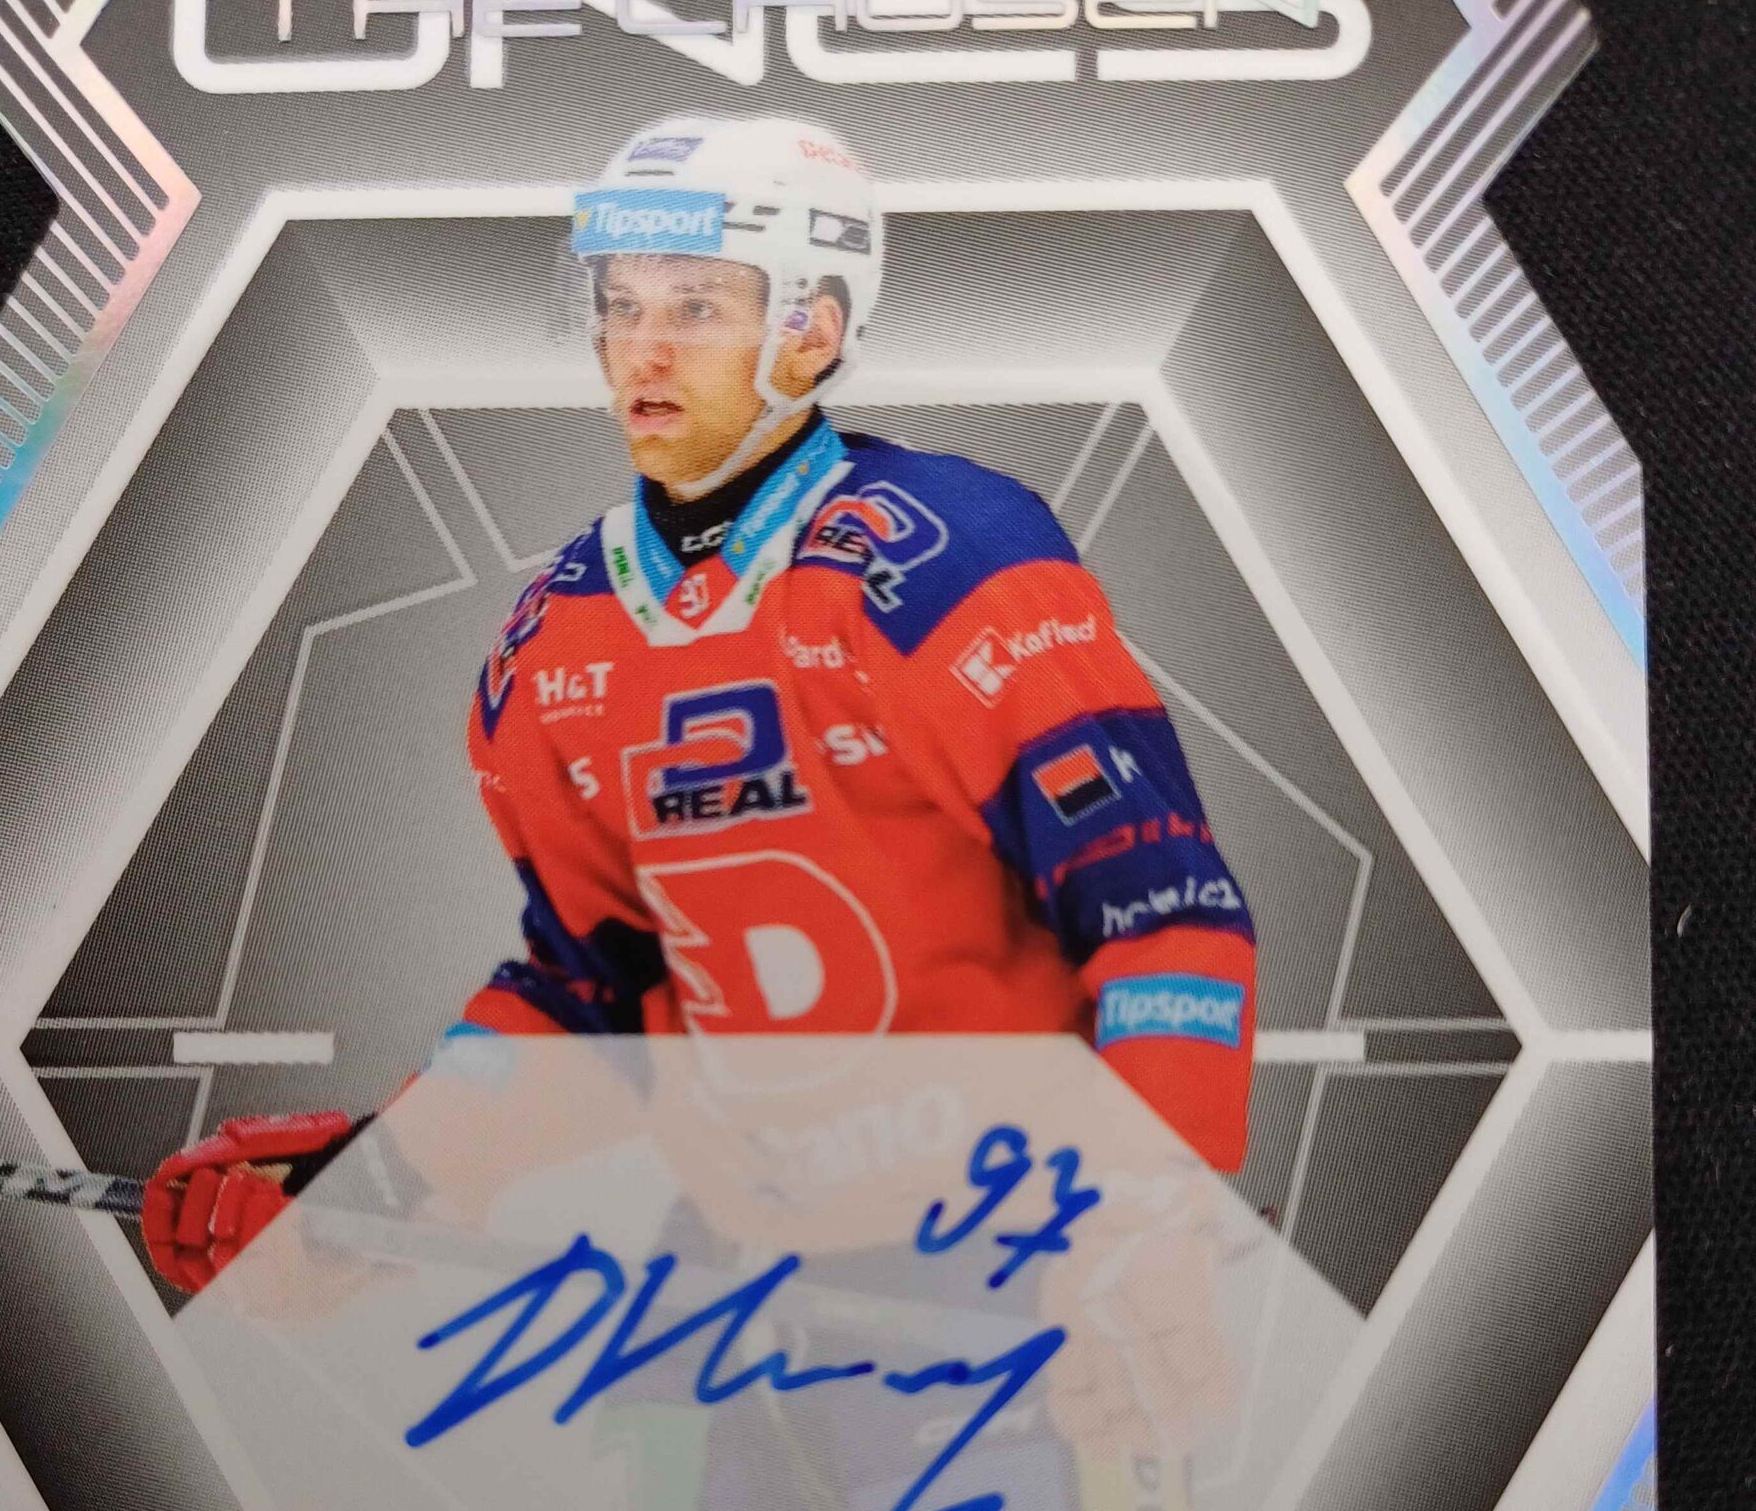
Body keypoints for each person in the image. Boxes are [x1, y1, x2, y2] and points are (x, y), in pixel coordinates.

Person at [143, 112, 1256, 1300]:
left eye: (695, 308)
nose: (644, 351)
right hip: (742, 1292)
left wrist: (1150, 1225)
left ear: (812, 330)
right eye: (620, 306)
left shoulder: (949, 557)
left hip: (1017, 1261)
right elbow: (594, 996)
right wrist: (386, 1183)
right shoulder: (554, 634)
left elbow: (1164, 915)